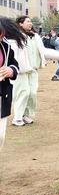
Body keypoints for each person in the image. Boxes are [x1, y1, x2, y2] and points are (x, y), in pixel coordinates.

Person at [8, 16, 49, 126]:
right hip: (21, 70)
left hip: (33, 69)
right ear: (20, 24)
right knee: (23, 93)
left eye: (30, 21)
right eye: (28, 21)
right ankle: (17, 118)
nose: (30, 23)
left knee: (32, 93)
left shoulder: (35, 36)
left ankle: (26, 115)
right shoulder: (15, 37)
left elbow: (42, 50)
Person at [0, 18, 22, 149]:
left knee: (1, 135)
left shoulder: (6, 47)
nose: (2, 37)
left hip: (2, 95)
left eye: (3, 34)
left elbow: (15, 65)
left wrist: (11, 70)